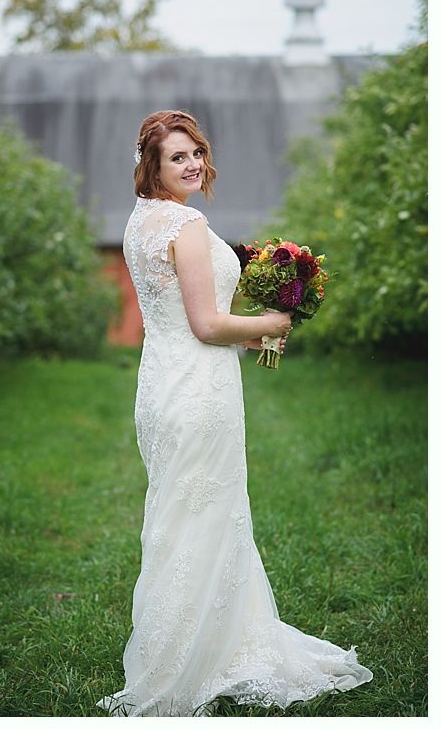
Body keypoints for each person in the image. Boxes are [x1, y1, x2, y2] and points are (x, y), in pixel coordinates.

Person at [99, 111, 372, 716]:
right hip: (199, 389)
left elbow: (180, 316)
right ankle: (190, 660)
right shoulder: (187, 223)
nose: (192, 163)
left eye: (195, 152)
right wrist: (272, 323)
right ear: (153, 166)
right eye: (177, 157)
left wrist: (247, 338)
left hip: (163, 382)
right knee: (205, 513)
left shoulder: (139, 221)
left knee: (183, 514)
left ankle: (192, 645)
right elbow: (207, 323)